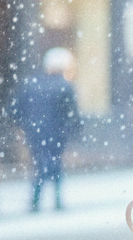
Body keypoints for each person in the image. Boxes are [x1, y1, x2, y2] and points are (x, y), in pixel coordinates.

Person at [13, 47, 82, 211]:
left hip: (35, 135)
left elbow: (15, 110)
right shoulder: (65, 86)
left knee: (40, 166)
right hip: (57, 135)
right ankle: (56, 201)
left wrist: (25, 127)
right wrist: (73, 133)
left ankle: (36, 201)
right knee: (54, 165)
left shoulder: (31, 84)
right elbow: (73, 116)